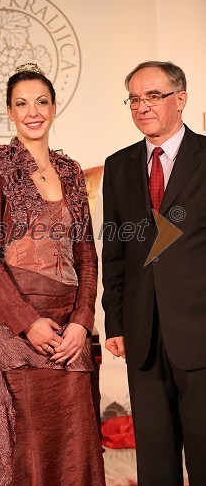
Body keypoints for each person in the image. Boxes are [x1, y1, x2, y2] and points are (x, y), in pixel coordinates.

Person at [0, 62, 105, 485]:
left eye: (41, 101)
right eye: (21, 103)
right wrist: (28, 323)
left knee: (74, 447)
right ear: (9, 111)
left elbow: (87, 257)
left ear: (54, 107)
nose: (32, 111)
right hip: (16, 334)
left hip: (69, 337)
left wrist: (81, 324)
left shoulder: (72, 172)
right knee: (23, 451)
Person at [102, 60, 206, 486]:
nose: (142, 106)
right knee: (155, 458)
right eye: (134, 99)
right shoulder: (119, 164)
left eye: (153, 96)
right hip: (144, 334)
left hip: (200, 332)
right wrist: (116, 320)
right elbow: (114, 251)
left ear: (180, 99)